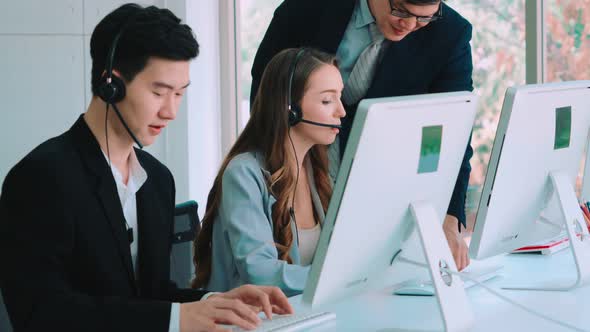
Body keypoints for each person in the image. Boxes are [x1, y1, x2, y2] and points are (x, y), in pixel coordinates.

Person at [0, 4, 292, 332]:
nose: (171, 111)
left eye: (180, 94)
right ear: (110, 83)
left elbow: (151, 296)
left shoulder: (156, 181)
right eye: (159, 92)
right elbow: (42, 313)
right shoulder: (41, 177)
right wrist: (175, 319)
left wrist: (215, 303)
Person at [250, 0, 474, 270]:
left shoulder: (450, 33)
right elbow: (265, 91)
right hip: (294, 174)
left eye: (424, 18)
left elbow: (453, 132)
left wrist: (449, 219)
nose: (410, 25)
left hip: (379, 190)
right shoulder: (305, 7)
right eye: (401, 10)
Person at [192, 48, 345, 296]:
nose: (341, 111)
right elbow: (260, 273)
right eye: (327, 100)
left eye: (340, 97)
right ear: (289, 109)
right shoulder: (243, 174)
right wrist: (339, 278)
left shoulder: (318, 172)